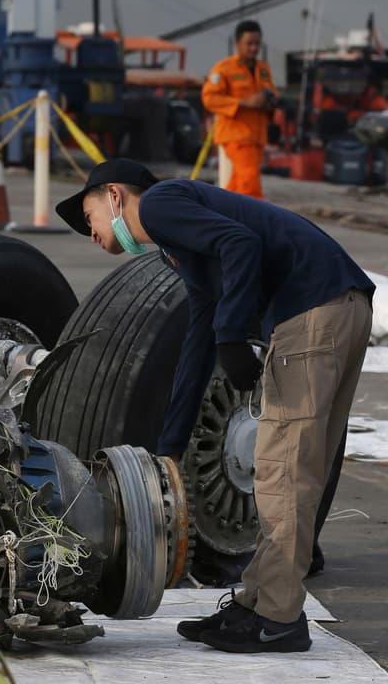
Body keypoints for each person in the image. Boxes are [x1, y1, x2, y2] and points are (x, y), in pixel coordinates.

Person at [56, 159, 374, 655]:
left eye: (87, 213)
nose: (88, 230)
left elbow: (240, 245)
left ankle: (278, 621)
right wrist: (172, 446)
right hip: (335, 307)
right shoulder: (178, 246)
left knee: (282, 474)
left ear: (114, 195)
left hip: (311, 312)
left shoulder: (160, 205)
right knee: (292, 473)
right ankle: (258, 604)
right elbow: (198, 334)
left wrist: (233, 337)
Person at [203, 20, 276, 199]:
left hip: (257, 136)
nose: (253, 48)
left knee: (235, 187)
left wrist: (269, 101)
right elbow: (209, 98)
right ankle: (253, 224)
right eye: (249, 43)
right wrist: (245, 102)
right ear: (237, 44)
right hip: (237, 136)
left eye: (257, 44)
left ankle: (223, 218)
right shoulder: (224, 69)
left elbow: (272, 92)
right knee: (250, 188)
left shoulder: (263, 68)